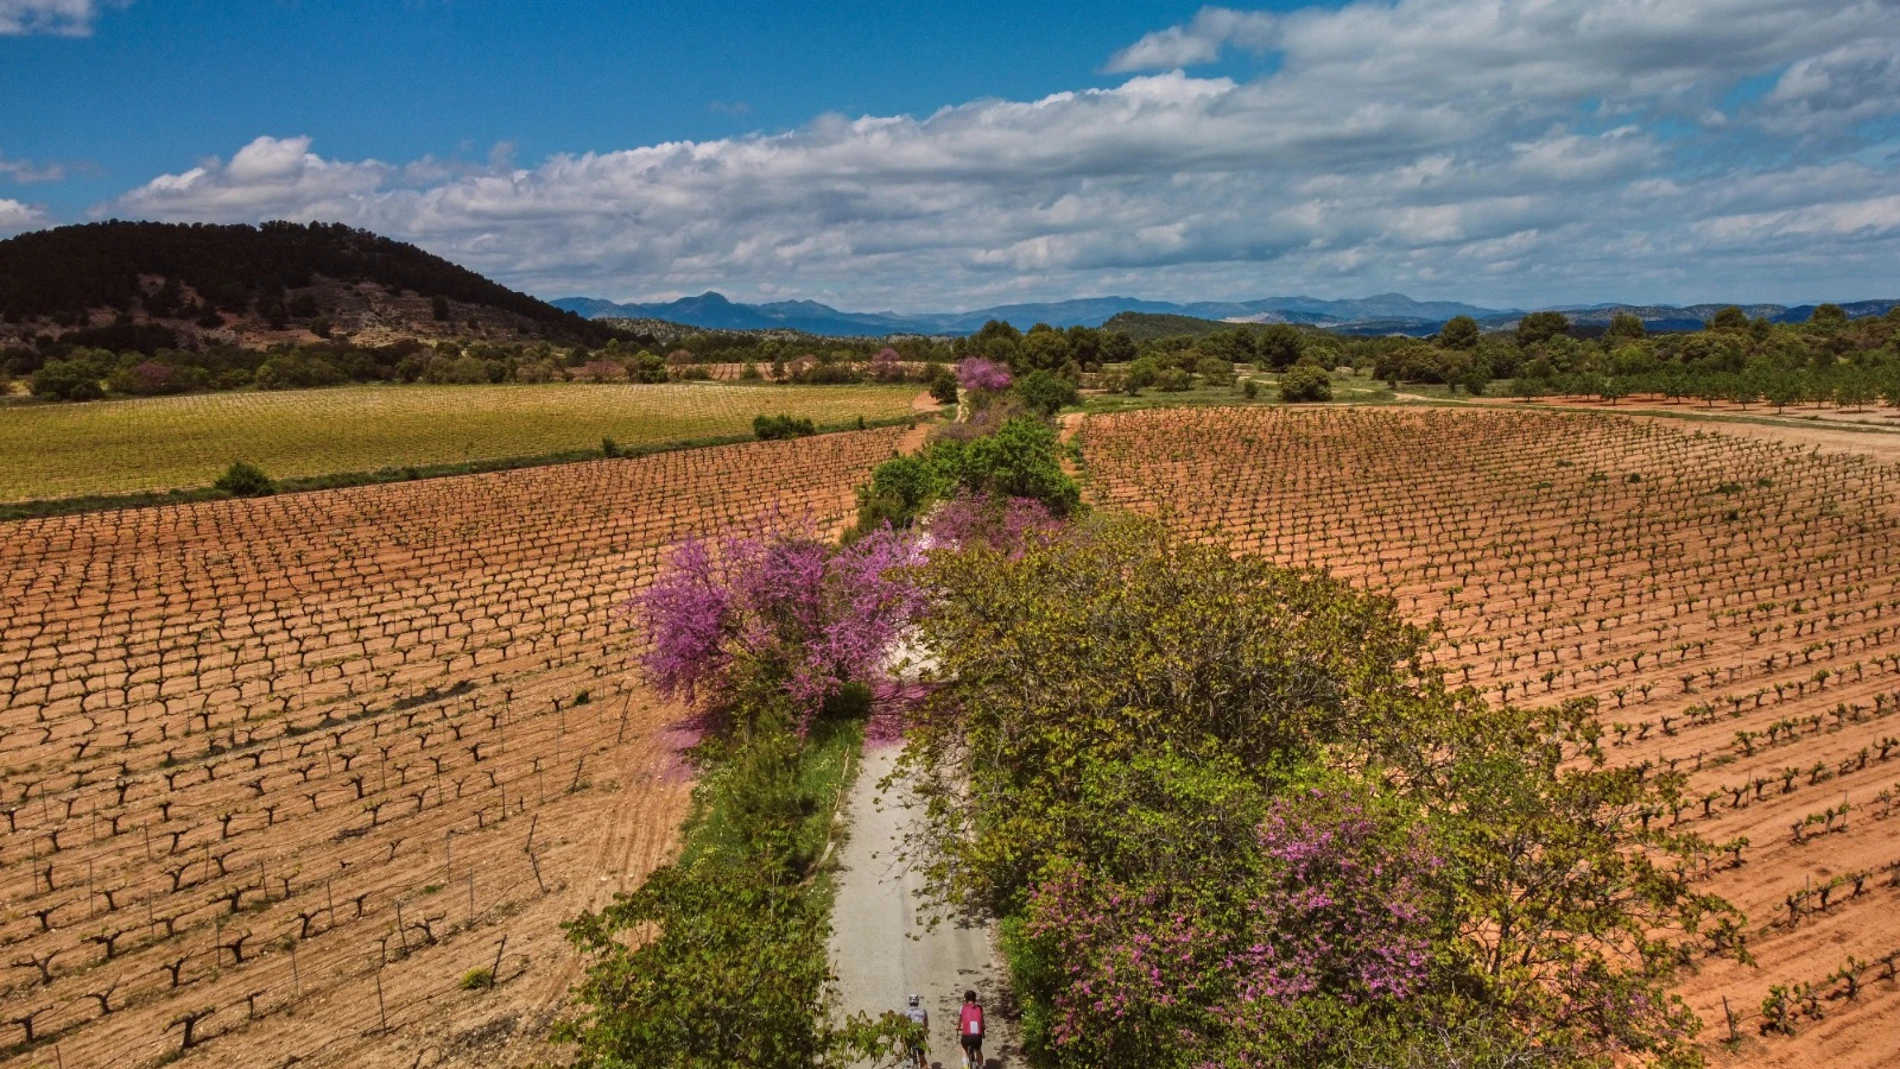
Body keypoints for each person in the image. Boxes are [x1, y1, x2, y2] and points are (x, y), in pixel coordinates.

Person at [957, 989, 984, 1068]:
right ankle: (981, 1067)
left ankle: (965, 1066)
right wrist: (983, 1028)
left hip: (967, 1036)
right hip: (977, 1037)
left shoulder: (962, 1007)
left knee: (963, 1047)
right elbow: (982, 1022)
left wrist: (958, 1027)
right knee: (978, 1050)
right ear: (975, 999)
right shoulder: (980, 1008)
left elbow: (959, 1020)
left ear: (966, 999)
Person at [904, 993, 929, 1069]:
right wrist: (925, 1031)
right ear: (918, 1001)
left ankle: (908, 1062)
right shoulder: (923, 1011)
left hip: (909, 1037)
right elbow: (926, 1023)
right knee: (922, 1058)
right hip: (920, 1036)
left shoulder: (905, 1012)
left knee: (907, 1054)